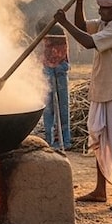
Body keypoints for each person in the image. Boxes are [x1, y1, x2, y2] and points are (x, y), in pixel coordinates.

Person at [55, 0, 112, 211]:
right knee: (99, 138)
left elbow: (88, 42)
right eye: (99, 7)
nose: (99, 12)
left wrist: (63, 22)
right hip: (101, 88)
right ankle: (100, 191)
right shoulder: (105, 23)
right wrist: (80, 0)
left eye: (103, 8)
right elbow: (82, 26)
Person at [38, 19, 72, 150]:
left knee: (62, 107)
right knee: (49, 107)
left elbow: (62, 53)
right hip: (49, 69)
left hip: (60, 69)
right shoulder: (46, 36)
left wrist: (57, 66)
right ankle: (50, 140)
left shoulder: (57, 32)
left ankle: (64, 140)